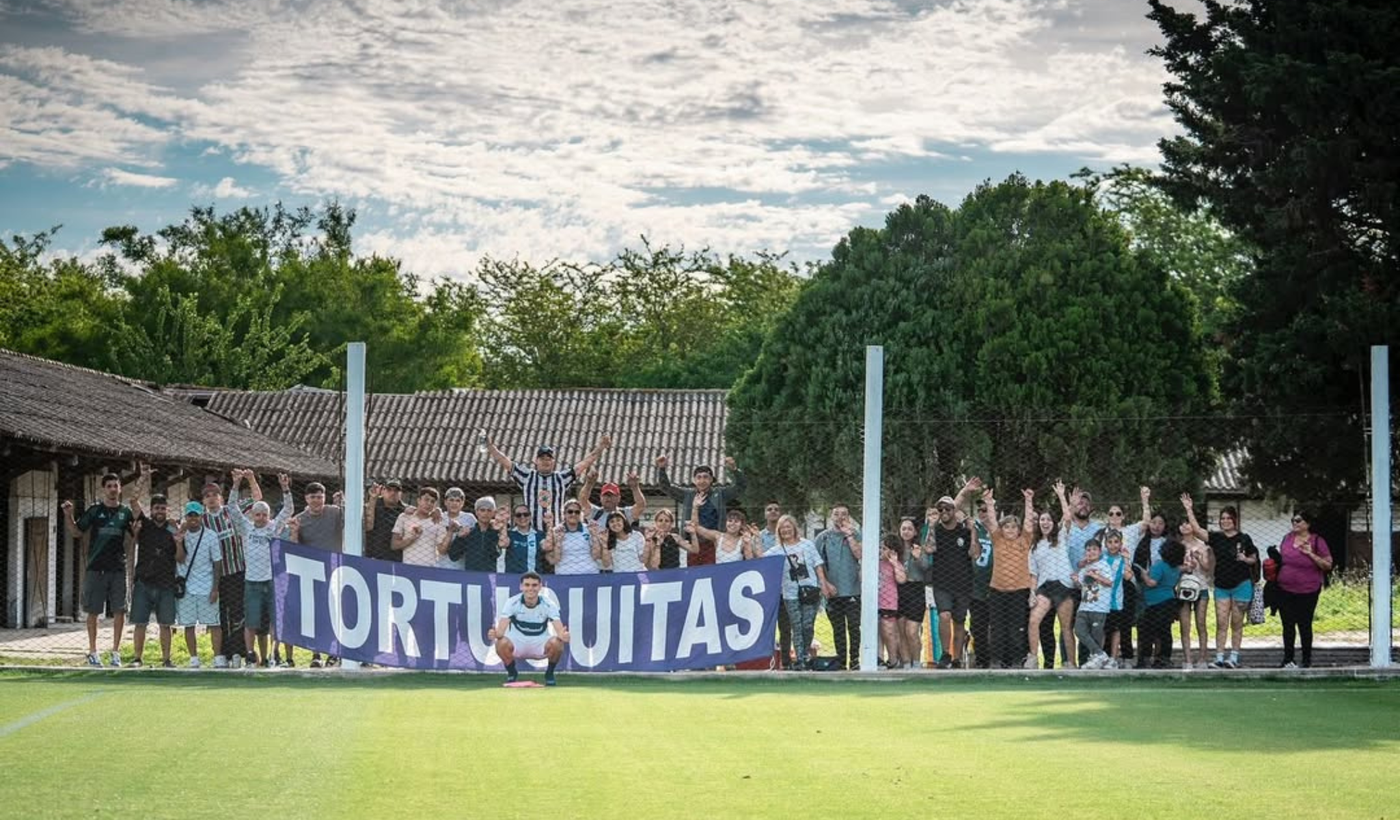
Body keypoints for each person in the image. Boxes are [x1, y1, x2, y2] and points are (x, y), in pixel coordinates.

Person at [62, 472, 134, 667]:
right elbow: (76, 532)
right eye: (109, 485)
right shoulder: (94, 511)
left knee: (120, 611)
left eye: (115, 486)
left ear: (120, 489)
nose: (112, 489)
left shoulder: (126, 512)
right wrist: (68, 516)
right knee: (93, 611)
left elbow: (136, 533)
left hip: (118, 568)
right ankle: (93, 652)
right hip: (96, 568)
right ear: (104, 489)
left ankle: (116, 653)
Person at [226, 470, 294, 668]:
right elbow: (232, 508)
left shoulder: (274, 527)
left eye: (264, 514)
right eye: (258, 514)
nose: (261, 517)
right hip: (252, 581)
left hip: (271, 580)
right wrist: (236, 484)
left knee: (275, 619)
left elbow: (288, 509)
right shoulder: (246, 528)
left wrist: (285, 488)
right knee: (251, 621)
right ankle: (249, 653)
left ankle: (275, 653)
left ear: (269, 515)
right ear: (253, 515)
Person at [1184, 499, 1258, 669]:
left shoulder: (1244, 538)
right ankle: (1219, 658)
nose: (1225, 521)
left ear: (1235, 520)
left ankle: (1233, 658)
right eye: (1222, 518)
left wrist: (1245, 559)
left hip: (1242, 584)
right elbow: (1196, 530)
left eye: (1228, 518)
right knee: (1221, 622)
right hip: (1222, 586)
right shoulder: (1216, 538)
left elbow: (1253, 558)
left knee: (1237, 623)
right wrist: (1189, 509)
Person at [486, 436, 611, 531]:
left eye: (548, 459)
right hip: (531, 532)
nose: (545, 461)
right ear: (536, 461)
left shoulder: (561, 478)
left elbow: (583, 464)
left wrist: (600, 447)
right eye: (542, 459)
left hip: (555, 532)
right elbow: (505, 462)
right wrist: (490, 446)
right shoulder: (527, 476)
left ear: (553, 461)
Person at [201, 474, 261, 668]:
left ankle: (239, 652)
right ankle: (223, 654)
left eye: (215, 494)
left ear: (221, 497)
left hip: (237, 571)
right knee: (220, 616)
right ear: (203, 500)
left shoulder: (231, 511)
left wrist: (249, 480)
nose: (211, 498)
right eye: (207, 495)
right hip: (215, 577)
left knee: (238, 613)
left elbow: (258, 500)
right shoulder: (201, 520)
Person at [926, 480, 981, 668]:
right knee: (944, 616)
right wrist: (932, 527)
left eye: (947, 509)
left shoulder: (964, 530)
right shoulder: (936, 530)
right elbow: (929, 548)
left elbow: (974, 554)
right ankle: (945, 653)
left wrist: (973, 531)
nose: (943, 513)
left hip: (963, 583)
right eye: (940, 510)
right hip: (942, 582)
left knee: (959, 621)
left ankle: (957, 658)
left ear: (954, 511)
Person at [979, 487, 1035, 669]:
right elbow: (993, 523)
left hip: (1019, 591)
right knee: (996, 629)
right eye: (1007, 526)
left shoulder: (1025, 540)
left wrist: (1028, 500)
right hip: (997, 590)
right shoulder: (997, 539)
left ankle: (1016, 661)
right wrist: (988, 502)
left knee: (1016, 628)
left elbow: (1028, 523)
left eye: (1013, 527)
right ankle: (996, 661)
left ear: (1018, 530)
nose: (1010, 529)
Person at [656, 455, 747, 566]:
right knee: (693, 573)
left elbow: (740, 487)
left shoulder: (720, 494)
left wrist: (734, 470)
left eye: (705, 477)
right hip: (692, 543)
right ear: (694, 480)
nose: (702, 480)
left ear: (711, 479)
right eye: (699, 477)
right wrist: (662, 469)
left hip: (713, 543)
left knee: (711, 573)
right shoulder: (688, 495)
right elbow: (667, 487)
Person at [290, 481, 344, 668]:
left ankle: (335, 652)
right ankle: (316, 653)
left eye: (320, 497)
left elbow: (356, 521)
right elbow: (295, 548)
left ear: (325, 497)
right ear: (306, 498)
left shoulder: (336, 512)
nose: (316, 500)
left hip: (335, 569)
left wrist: (343, 503)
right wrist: (295, 533)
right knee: (315, 614)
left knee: (334, 612)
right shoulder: (300, 519)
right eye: (313, 497)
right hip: (312, 572)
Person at [127, 468, 176, 668]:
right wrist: (143, 477)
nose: (160, 512)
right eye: (156, 508)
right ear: (151, 510)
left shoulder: (173, 529)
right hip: (144, 581)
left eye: (163, 509)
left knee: (166, 624)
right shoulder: (144, 525)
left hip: (166, 583)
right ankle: (137, 658)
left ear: (167, 510)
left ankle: (166, 659)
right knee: (140, 623)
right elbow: (132, 500)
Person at [1026, 481, 1077, 669]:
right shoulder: (1035, 546)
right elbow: (1034, 574)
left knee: (1065, 628)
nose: (1045, 523)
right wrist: (1032, 593)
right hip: (1045, 588)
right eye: (1042, 520)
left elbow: (1068, 517)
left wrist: (1062, 495)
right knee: (1033, 621)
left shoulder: (1062, 537)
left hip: (1064, 586)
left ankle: (1070, 663)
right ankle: (1032, 658)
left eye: (1048, 520)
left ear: (1053, 523)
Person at [488, 572, 570, 685]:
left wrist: (563, 636)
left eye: (534, 585)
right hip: (517, 643)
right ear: (521, 587)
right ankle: (512, 673)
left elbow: (559, 630)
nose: (530, 588)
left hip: (540, 643)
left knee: (558, 643)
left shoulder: (549, 604)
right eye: (527, 585)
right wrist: (494, 634)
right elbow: (501, 632)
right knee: (500, 643)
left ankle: (549, 673)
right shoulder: (512, 602)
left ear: (540, 587)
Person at [1275, 509, 1333, 669]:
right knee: (1287, 624)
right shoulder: (1287, 538)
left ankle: (1306, 660)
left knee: (1304, 624)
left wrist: (1310, 554)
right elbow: (1283, 560)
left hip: (1308, 589)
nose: (1295, 523)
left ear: (1307, 524)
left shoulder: (1317, 541)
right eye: (1293, 520)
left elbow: (1327, 565)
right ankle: (1288, 659)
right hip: (1284, 588)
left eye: (1298, 520)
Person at [773, 514, 828, 670]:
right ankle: (800, 659)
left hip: (809, 590)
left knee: (807, 624)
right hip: (790, 593)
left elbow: (818, 565)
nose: (786, 530)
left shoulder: (807, 545)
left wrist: (823, 584)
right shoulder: (777, 550)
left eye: (788, 527)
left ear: (794, 528)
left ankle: (805, 653)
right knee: (796, 625)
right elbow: (761, 558)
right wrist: (754, 541)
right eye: (782, 528)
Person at [175, 500, 224, 668]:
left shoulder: (211, 535)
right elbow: (180, 558)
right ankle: (193, 657)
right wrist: (179, 541)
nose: (193, 519)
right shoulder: (180, 534)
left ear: (201, 517)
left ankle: (217, 656)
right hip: (187, 586)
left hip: (206, 584)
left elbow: (217, 563)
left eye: (196, 515)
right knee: (189, 624)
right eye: (190, 516)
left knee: (214, 623)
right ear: (186, 517)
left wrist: (215, 588)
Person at [813, 503, 861, 670]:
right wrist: (824, 584)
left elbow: (860, 555)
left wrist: (849, 536)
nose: (840, 517)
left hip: (853, 589)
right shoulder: (822, 538)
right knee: (838, 629)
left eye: (844, 514)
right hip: (832, 592)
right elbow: (816, 564)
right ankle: (841, 662)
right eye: (836, 514)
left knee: (854, 626)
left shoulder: (855, 534)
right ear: (831, 516)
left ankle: (855, 660)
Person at [1136, 540, 1186, 668]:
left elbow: (1152, 583)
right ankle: (1164, 658)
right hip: (1169, 601)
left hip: (1155, 604)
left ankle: (1145, 658)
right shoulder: (1175, 568)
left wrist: (1143, 575)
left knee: (1147, 631)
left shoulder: (1160, 565)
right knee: (1164, 632)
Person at [1176, 497, 1213, 669]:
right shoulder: (1176, 546)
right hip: (1183, 587)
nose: (1185, 526)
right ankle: (1187, 659)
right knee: (1185, 625)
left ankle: (1203, 658)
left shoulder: (1203, 545)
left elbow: (1207, 568)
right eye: (1182, 524)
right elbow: (1173, 569)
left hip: (1202, 587)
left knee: (1201, 623)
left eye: (1187, 523)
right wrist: (1184, 567)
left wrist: (1198, 559)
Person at [897, 517, 931, 669]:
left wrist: (918, 558)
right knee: (901, 630)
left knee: (912, 631)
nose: (906, 531)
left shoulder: (920, 547)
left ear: (915, 531)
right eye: (903, 528)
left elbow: (925, 568)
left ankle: (916, 662)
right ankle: (905, 663)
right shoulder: (895, 550)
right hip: (899, 590)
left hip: (916, 589)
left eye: (909, 529)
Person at [1074, 539, 1114, 669]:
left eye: (1094, 549)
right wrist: (1076, 580)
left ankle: (1098, 659)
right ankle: (1100, 655)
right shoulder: (1085, 567)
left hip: (1099, 607)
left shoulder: (1104, 565)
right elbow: (1081, 585)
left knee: (1096, 634)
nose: (1091, 552)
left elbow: (1109, 582)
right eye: (1088, 550)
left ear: (1100, 551)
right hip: (1084, 605)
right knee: (1079, 630)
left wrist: (1095, 576)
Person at [392, 487, 449, 567]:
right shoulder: (404, 517)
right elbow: (394, 545)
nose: (429, 503)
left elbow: (442, 550)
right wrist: (412, 538)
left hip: (430, 567)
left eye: (432, 501)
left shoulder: (438, 520)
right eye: (426, 499)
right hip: (408, 566)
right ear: (418, 500)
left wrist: (450, 532)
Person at [1100, 529, 1132, 669]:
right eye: (1110, 542)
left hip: (1116, 601)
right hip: (1100, 601)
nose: (1113, 545)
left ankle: (1113, 658)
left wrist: (1126, 559)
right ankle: (1100, 657)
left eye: (1116, 542)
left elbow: (1128, 576)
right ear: (1105, 544)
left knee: (1116, 629)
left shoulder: (1122, 559)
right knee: (1101, 630)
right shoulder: (1101, 558)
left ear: (1121, 543)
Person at [578, 469, 646, 531]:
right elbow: (582, 501)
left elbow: (641, 506)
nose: (608, 498)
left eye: (612, 495)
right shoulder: (595, 513)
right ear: (600, 498)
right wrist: (589, 484)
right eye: (605, 495)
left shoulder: (625, 513)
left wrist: (635, 488)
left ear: (619, 498)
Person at [449, 498, 506, 572]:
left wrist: (499, 530)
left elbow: (496, 554)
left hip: (490, 575)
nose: (485, 513)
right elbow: (453, 556)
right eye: (482, 510)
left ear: (493, 513)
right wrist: (459, 537)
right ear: (476, 512)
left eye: (489, 510)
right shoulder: (469, 533)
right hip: (471, 576)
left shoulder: (496, 533)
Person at [687, 506, 756, 565]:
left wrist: (747, 543)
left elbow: (750, 562)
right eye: (730, 520)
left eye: (736, 521)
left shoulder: (742, 540)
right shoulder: (718, 536)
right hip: (719, 574)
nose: (732, 524)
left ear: (741, 525)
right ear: (726, 523)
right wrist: (695, 506)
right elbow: (696, 527)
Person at [877, 534, 907, 668]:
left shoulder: (896, 564)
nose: (881, 551)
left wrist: (894, 562)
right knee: (876, 632)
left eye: (884, 548)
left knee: (888, 632)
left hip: (888, 602)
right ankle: (878, 658)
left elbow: (901, 579)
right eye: (881, 548)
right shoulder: (875, 563)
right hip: (874, 601)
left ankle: (893, 659)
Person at [502, 503, 558, 573]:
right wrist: (504, 522)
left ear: (530, 516)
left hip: (534, 578)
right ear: (514, 518)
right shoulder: (510, 534)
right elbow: (503, 544)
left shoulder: (538, 535)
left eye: (526, 514)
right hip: (513, 577)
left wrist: (549, 525)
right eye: (518, 515)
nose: (522, 517)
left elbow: (547, 547)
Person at [363, 479, 409, 563]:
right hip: (373, 555)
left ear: (401, 494)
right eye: (389, 490)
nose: (392, 493)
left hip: (397, 558)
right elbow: (367, 525)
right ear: (382, 491)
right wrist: (372, 499)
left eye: (396, 491)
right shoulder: (373, 505)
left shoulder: (406, 510)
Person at [551, 498, 599, 575]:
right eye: (570, 512)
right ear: (564, 514)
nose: (573, 514)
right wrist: (559, 541)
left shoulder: (589, 529)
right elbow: (555, 559)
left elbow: (596, 556)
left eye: (577, 512)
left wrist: (594, 536)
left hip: (589, 571)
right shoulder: (556, 531)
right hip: (565, 573)